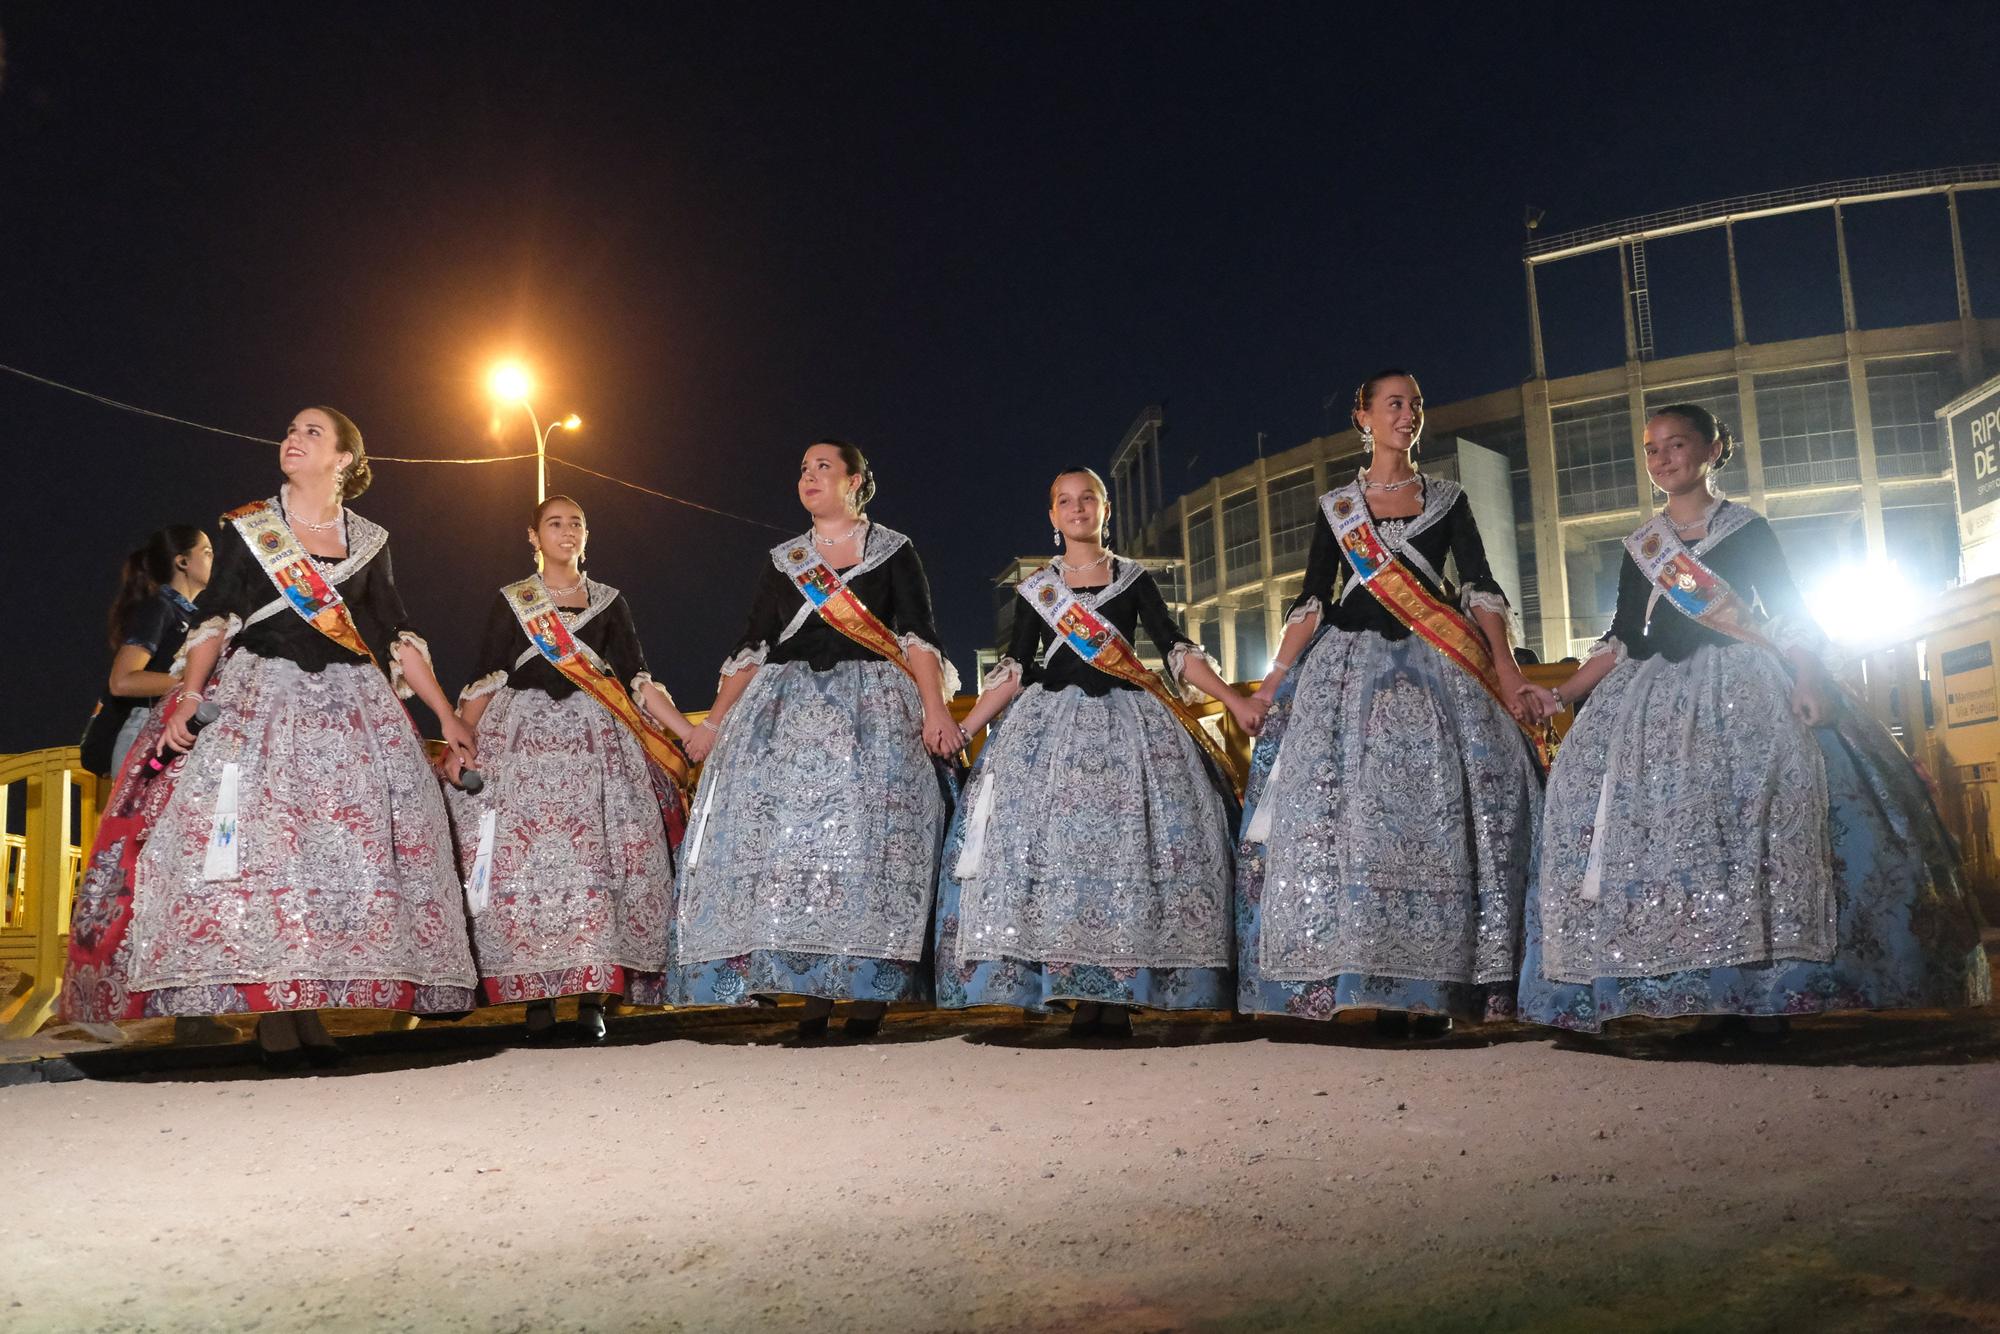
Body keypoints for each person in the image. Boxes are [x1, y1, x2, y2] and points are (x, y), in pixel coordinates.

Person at [1515, 404, 1990, 1036]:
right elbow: (1623, 638)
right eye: (1652, 449)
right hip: (1647, 698)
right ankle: (1665, 985)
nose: (1662, 458)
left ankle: (1767, 987)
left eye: (1677, 444)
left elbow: (1788, 612)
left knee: (1770, 815)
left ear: (1712, 451)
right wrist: (1563, 693)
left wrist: (1810, 675)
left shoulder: (1747, 530)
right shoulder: (1642, 547)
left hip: (1744, 684)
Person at [62, 407, 480, 1068]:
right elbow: (216, 615)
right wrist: (193, 693)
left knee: (331, 853)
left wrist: (445, 717)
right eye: (289, 429)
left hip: (350, 711)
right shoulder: (248, 526)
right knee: (268, 853)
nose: (293, 437)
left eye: (313, 432)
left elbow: (396, 634)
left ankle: (308, 1005)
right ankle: (274, 1013)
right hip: (264, 703)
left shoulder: (370, 539)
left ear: (345, 459)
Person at [1235, 370, 1542, 1035]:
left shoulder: (1450, 499)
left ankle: (1440, 987)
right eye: (1395, 404)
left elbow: (1481, 587)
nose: (1409, 415)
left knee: (1449, 819)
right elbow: (1311, 601)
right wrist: (1268, 685)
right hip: (1347, 674)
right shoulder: (1336, 508)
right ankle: (1361, 980)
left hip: (1440, 668)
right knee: (1345, 823)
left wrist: (1509, 673)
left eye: (1416, 405)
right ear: (1363, 417)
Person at [935, 467, 1257, 1036]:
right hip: (1047, 727)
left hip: (1129, 726)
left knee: (1131, 852)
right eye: (1065, 501)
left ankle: (1124, 991)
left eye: (1088, 499)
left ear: (1105, 510)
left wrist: (1232, 698)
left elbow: (1176, 650)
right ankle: (1072, 990)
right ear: (1053, 516)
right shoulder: (1037, 588)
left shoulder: (1133, 578)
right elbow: (1014, 670)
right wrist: (966, 728)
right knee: (1051, 856)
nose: (1078, 508)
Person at [671, 441, 960, 1039]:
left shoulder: (894, 551)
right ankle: (808, 988)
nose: (808, 476)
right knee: (793, 852)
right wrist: (714, 721)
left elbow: (917, 636)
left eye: (823, 466)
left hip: (873, 715)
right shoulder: (784, 560)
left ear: (855, 481)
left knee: (869, 846)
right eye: (802, 467)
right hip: (785, 716)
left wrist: (934, 708)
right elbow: (753, 646)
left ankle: (867, 987)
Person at [448, 494, 697, 1042]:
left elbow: (638, 680)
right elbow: (486, 677)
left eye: (576, 523)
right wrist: (460, 741)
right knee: (528, 867)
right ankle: (535, 1000)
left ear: (587, 535)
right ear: (533, 537)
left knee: (597, 863)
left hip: (597, 747)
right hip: (523, 746)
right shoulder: (513, 602)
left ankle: (593, 998)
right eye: (554, 523)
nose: (567, 531)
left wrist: (686, 732)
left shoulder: (610, 602)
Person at [81, 526, 214, 779]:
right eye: (206, 552)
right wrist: (191, 686)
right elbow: (122, 681)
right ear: (183, 561)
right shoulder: (160, 607)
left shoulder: (192, 616)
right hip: (145, 731)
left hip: (170, 730)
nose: (213, 560)